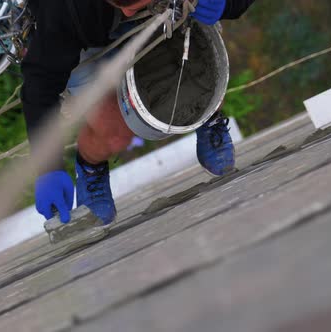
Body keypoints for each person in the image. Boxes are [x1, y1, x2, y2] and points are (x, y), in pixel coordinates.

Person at [23, 0, 255, 225]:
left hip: (168, 13)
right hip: (86, 32)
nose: (128, 11)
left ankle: (207, 115)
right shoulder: (64, 10)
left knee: (200, 62)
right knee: (113, 133)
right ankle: (91, 168)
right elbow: (41, 83)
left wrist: (225, 3)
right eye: (122, 4)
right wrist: (48, 169)